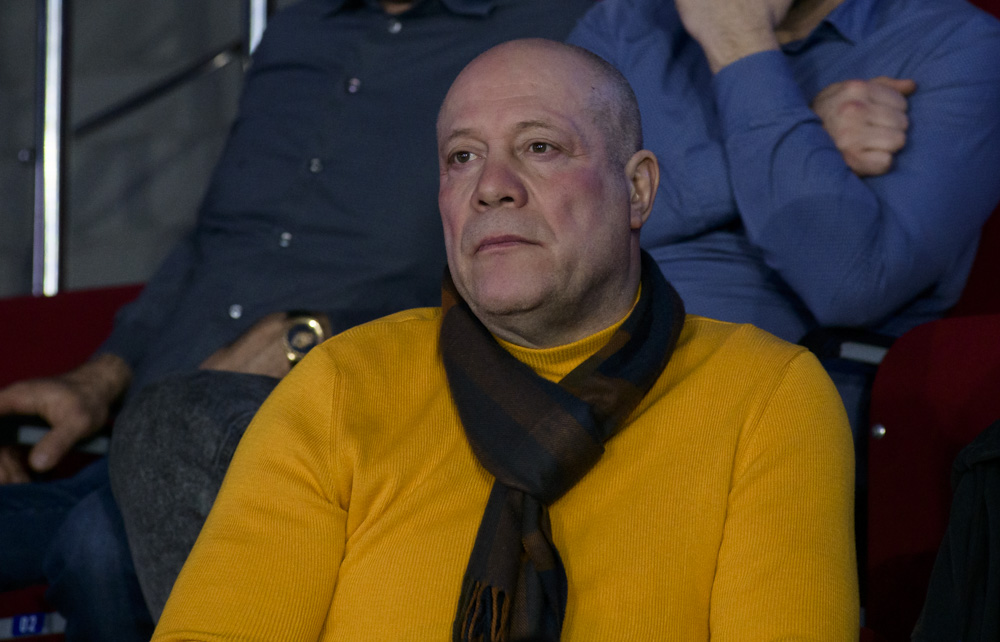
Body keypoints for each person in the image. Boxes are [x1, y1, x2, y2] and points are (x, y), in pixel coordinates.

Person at [151, 38, 858, 641]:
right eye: (462, 157)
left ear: (638, 190)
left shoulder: (766, 397)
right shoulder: (340, 386)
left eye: (540, 147)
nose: (491, 187)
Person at [0, 0, 591, 638]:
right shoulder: (300, 27)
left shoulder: (549, 29)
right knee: (94, 516)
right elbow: (214, 238)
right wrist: (100, 376)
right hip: (143, 422)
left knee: (95, 543)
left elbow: (537, 261)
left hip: (323, 418)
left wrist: (311, 335)